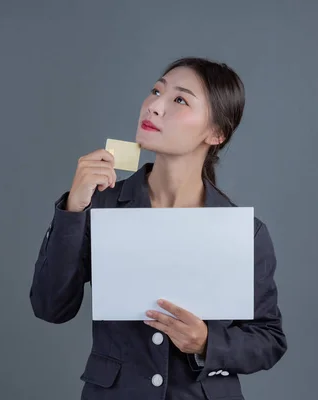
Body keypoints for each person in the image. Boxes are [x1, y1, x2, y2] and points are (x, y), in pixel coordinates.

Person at [29, 56, 287, 399]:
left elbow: (268, 339)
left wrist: (207, 342)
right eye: (155, 91)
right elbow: (51, 307)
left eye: (179, 100)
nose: (154, 106)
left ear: (216, 133)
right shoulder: (101, 206)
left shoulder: (242, 232)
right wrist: (74, 208)